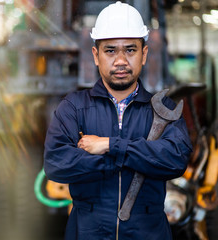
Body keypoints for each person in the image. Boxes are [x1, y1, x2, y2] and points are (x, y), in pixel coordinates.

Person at [43, 1, 192, 240]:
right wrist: (126, 159)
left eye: (130, 50)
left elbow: (175, 160)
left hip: (148, 233)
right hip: (89, 233)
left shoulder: (163, 110)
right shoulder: (74, 108)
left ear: (144, 55)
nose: (121, 60)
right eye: (110, 50)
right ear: (96, 55)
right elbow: (57, 164)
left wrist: (111, 145)